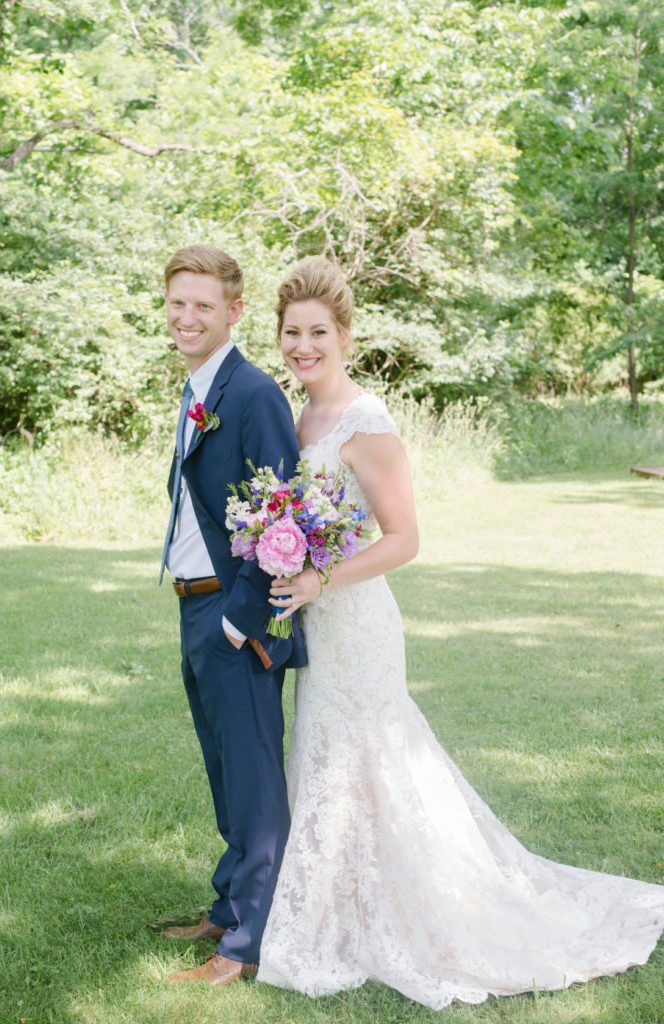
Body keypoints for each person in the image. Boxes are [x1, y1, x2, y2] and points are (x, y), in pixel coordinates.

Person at [256, 256, 664, 1008]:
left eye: (318, 332)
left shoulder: (364, 420)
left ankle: (426, 912)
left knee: (376, 760)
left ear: (345, 335)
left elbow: (404, 539)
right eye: (291, 332)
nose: (303, 345)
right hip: (319, 626)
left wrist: (318, 577)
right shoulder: (294, 413)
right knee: (326, 759)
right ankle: (333, 907)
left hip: (359, 621)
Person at [157, 245, 306, 987]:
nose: (187, 317)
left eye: (203, 306)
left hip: (234, 615)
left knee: (252, 780)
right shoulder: (196, 386)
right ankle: (226, 905)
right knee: (224, 772)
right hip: (194, 604)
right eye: (177, 303)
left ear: (234, 312)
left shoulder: (252, 394)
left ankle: (243, 945)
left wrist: (240, 622)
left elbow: (286, 519)